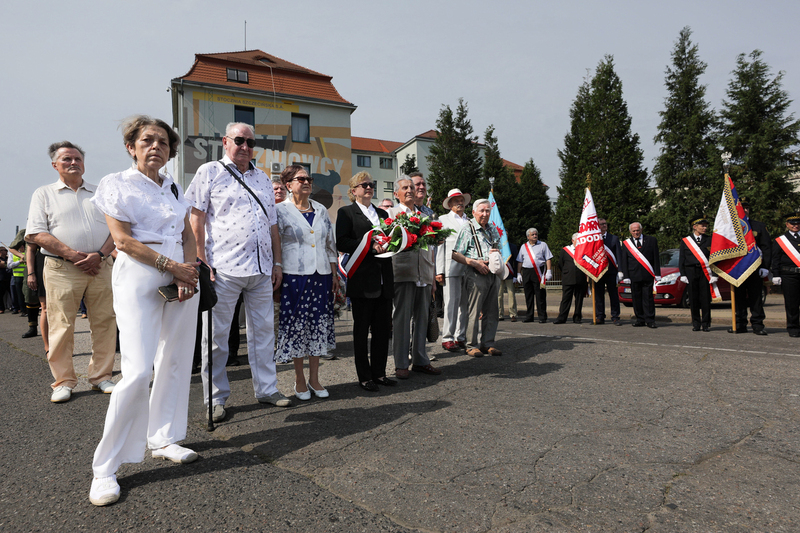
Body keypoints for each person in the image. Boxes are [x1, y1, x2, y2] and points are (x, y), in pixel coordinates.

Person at [88, 116, 200, 506]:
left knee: (176, 359)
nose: (156, 147)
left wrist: (190, 271)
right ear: (131, 147)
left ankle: (163, 436)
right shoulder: (115, 184)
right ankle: (106, 468)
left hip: (181, 275)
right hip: (141, 272)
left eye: (164, 143)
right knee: (137, 370)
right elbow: (121, 239)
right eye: (147, 140)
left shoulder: (172, 185)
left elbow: (187, 232)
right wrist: (173, 268)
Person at [187, 122, 290, 422]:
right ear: (225, 141)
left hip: (260, 269)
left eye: (250, 142)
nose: (245, 147)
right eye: (240, 140)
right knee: (217, 338)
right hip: (224, 268)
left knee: (263, 334)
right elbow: (196, 219)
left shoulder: (261, 178)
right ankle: (215, 398)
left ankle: (267, 389)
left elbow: (272, 226)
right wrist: (201, 260)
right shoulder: (209, 172)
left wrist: (277, 263)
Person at [26, 141, 117, 403]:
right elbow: (36, 232)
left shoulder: (100, 192)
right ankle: (64, 381)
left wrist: (98, 255)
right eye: (66, 159)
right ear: (55, 165)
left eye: (77, 158)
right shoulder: (44, 194)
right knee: (62, 325)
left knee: (104, 321)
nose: (73, 162)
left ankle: (101, 376)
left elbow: (116, 229)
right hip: (62, 268)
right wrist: (72, 254)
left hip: (100, 266)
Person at [275, 165, 338, 399]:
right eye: (301, 179)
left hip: (320, 275)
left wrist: (333, 274)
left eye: (308, 178)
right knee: (298, 327)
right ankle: (299, 380)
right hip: (294, 276)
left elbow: (329, 244)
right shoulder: (280, 210)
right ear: (288, 184)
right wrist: (277, 271)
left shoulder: (321, 209)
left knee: (318, 326)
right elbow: (276, 245)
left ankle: (315, 379)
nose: (307, 182)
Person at [336, 172, 395, 392]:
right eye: (364, 185)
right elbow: (341, 240)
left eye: (371, 185)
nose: (369, 188)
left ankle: (380, 373)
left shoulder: (382, 213)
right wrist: (368, 247)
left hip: (384, 279)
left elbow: (391, 237)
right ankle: (364, 376)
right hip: (362, 280)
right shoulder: (346, 213)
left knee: (382, 331)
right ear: (354, 191)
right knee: (361, 332)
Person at [388, 176, 441, 378]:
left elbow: (432, 248)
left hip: (425, 273)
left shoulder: (425, 215)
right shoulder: (391, 213)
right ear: (396, 193)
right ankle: (401, 363)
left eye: (411, 186)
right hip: (403, 272)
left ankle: (420, 359)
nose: (410, 190)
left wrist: (433, 275)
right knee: (401, 319)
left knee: (422, 318)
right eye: (405, 187)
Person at [452, 198, 503, 357]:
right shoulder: (467, 228)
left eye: (488, 211)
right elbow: (455, 254)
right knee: (474, 310)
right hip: (475, 272)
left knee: (492, 310)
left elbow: (498, 248)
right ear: (473, 212)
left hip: (492, 272)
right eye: (482, 210)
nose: (485, 213)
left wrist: (496, 257)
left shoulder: (492, 229)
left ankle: (488, 343)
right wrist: (474, 263)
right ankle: (471, 344)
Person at [728, 198, 771, 335]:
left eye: (746, 208)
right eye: (742, 208)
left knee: (756, 298)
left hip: (755, 268)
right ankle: (739, 324)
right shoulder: (730, 228)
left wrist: (765, 267)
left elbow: (766, 247)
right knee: (738, 298)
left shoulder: (758, 226)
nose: (744, 210)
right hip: (738, 268)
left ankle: (757, 324)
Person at [436, 188, 471, 352]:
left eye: (461, 199)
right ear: (449, 204)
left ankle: (460, 337)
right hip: (450, 267)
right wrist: (439, 270)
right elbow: (440, 248)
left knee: (465, 305)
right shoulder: (442, 220)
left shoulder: (470, 221)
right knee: (450, 304)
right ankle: (447, 337)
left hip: (469, 268)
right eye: (456, 200)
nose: (460, 202)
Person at [620, 222, 661, 328]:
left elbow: (656, 258)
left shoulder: (651, 240)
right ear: (630, 232)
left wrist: (657, 273)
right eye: (633, 231)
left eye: (637, 230)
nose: (636, 232)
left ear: (641, 230)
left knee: (648, 298)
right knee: (636, 298)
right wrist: (626, 276)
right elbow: (624, 260)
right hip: (633, 275)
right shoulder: (626, 243)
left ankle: (650, 320)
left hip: (647, 274)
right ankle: (640, 319)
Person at [678, 216, 716, 332]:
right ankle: (695, 323)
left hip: (705, 271)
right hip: (691, 271)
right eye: (702, 226)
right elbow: (682, 259)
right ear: (695, 227)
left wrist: (714, 274)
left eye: (705, 226)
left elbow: (714, 257)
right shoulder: (686, 241)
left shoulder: (710, 239)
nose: (705, 228)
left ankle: (705, 323)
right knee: (693, 298)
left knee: (705, 298)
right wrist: (683, 274)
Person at [770, 211, 800, 337]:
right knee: (792, 303)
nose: (795, 225)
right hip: (789, 275)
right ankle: (793, 328)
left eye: (798, 223)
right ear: (787, 224)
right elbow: (775, 259)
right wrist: (776, 274)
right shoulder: (780, 241)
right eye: (792, 223)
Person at [516, 228, 553, 323]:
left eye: (536, 234)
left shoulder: (543, 245)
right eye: (532, 234)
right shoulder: (523, 247)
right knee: (528, 295)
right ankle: (529, 316)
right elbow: (520, 261)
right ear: (528, 236)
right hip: (527, 272)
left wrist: (549, 271)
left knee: (540, 295)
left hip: (538, 272)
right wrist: (519, 273)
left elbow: (548, 258)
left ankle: (542, 317)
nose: (535, 236)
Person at [553, 234, 588, 324]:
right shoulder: (565, 250)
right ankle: (562, 317)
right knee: (566, 298)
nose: (580, 242)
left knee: (579, 299)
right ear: (573, 240)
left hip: (580, 278)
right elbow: (561, 264)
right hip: (568, 278)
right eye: (578, 240)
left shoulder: (584, 250)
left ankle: (577, 317)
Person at [594, 218, 623, 325]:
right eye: (602, 224)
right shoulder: (594, 239)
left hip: (611, 272)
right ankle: (600, 316)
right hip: (598, 272)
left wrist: (620, 270)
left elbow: (619, 255)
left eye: (605, 224)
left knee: (613, 295)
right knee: (599, 295)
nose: (604, 225)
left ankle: (615, 316)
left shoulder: (614, 238)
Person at [498, 242, 519, 322]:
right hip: (499, 273)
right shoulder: (496, 245)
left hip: (510, 273)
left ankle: (513, 314)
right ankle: (499, 314)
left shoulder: (512, 246)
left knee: (511, 294)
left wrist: (516, 275)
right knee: (498, 295)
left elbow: (516, 261)